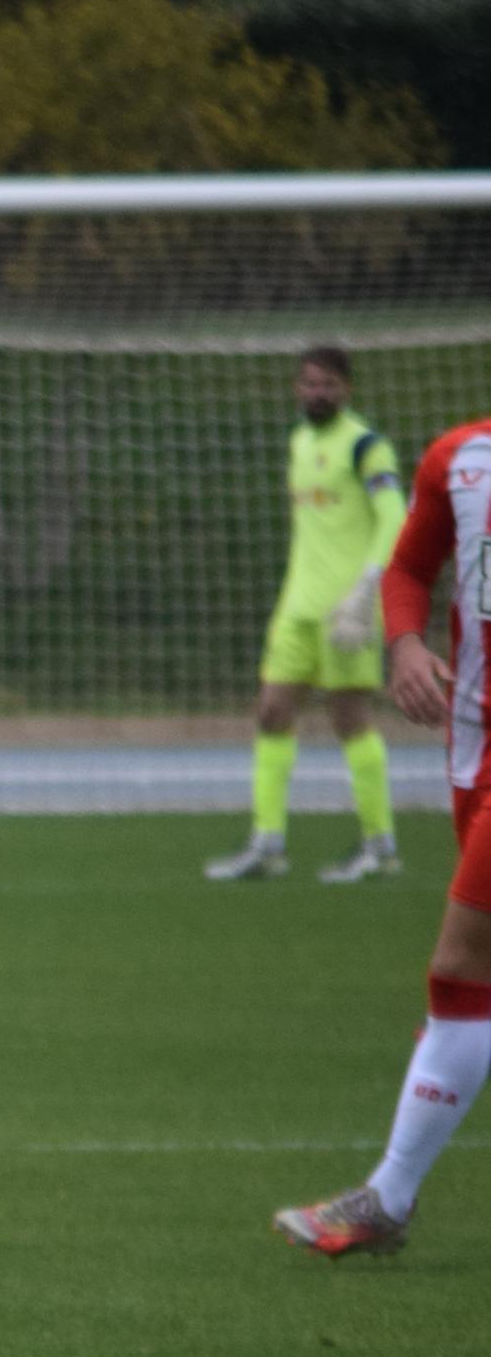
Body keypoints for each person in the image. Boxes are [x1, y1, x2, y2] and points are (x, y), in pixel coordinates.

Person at [274, 411, 488, 1258]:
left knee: (462, 969)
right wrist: (402, 643)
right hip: (473, 748)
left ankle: (387, 1199)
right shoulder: (459, 458)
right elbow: (409, 567)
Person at [210, 347, 408, 885]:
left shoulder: (366, 446)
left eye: (328, 385)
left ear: (347, 389)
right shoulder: (299, 441)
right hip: (297, 606)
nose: (318, 393)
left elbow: (395, 516)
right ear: (297, 388)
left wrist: (367, 589)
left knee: (350, 719)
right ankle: (267, 843)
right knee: (271, 712)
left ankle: (381, 846)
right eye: (310, 384)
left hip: (347, 610)